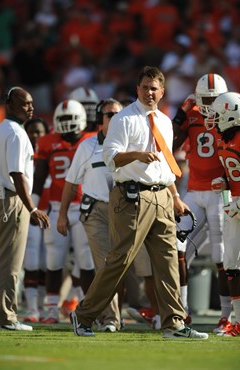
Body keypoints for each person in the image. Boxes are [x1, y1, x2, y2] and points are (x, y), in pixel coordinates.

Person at [70, 66, 209, 339]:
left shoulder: (166, 122)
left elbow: (167, 165)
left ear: (162, 91)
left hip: (161, 195)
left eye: (154, 87)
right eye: (144, 87)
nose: (149, 92)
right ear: (137, 89)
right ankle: (83, 314)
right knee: (120, 260)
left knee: (168, 261)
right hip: (131, 196)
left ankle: (174, 323)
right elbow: (110, 157)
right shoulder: (123, 119)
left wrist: (176, 196)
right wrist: (136, 155)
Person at [172, 73, 232, 332]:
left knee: (222, 255)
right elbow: (170, 143)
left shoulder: (230, 112)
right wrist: (180, 117)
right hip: (194, 191)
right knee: (175, 245)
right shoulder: (192, 114)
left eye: (214, 99)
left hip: (221, 192)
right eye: (205, 99)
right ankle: (181, 311)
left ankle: (227, 315)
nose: (209, 103)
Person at [58, 98, 123, 332]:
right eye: (110, 115)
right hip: (95, 210)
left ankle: (137, 313)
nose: (115, 119)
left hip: (125, 210)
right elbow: (71, 182)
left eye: (118, 114)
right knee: (105, 264)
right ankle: (110, 318)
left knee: (124, 265)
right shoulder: (87, 146)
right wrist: (62, 214)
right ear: (99, 119)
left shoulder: (130, 142)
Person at [32, 99, 95, 324]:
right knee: (54, 261)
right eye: (63, 119)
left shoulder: (91, 140)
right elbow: (39, 176)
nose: (67, 124)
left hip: (84, 208)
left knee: (86, 260)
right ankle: (50, 308)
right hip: (57, 208)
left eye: (71, 119)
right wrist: (34, 205)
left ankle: (86, 308)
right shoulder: (49, 142)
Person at [0, 87, 50, 331]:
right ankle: (5, 317)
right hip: (11, 200)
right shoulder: (16, 133)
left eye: (31, 103)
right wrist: (33, 208)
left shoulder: (0, 130)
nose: (31, 108)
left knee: (0, 260)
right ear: (11, 104)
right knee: (10, 262)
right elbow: (17, 174)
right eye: (25, 103)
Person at [205, 92, 240, 337]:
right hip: (234, 205)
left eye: (217, 114)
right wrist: (224, 181)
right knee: (231, 265)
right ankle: (238, 322)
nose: (213, 119)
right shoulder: (223, 139)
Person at [23, 117, 51, 323]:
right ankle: (33, 309)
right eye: (32, 131)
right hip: (28, 211)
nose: (36, 136)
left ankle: (44, 307)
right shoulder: (21, 152)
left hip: (50, 211)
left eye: (39, 132)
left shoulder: (51, 152)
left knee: (47, 263)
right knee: (32, 261)